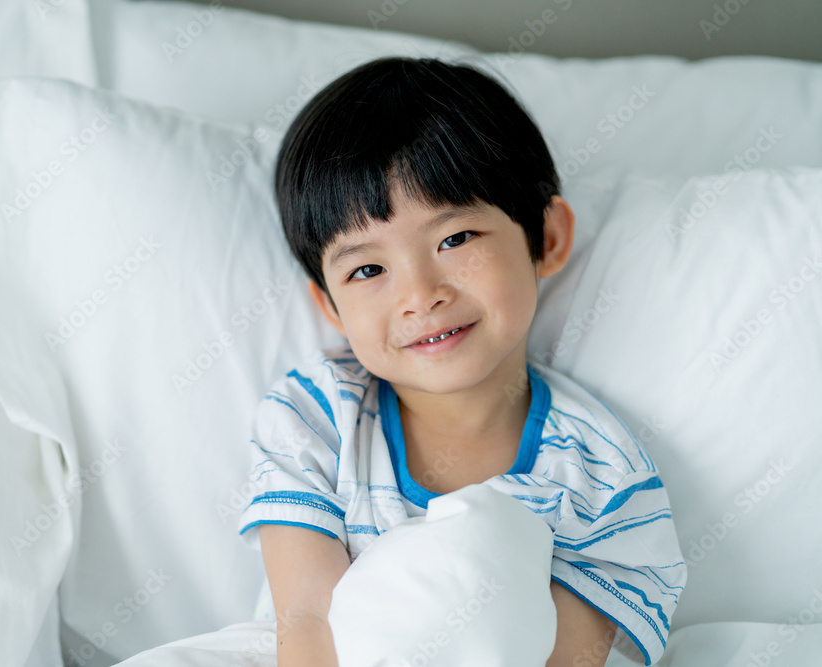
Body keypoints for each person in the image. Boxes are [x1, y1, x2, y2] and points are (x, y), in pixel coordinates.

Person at [237, 56, 686, 667]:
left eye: (455, 239)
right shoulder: (318, 416)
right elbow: (307, 625)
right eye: (368, 269)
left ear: (546, 238)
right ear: (331, 306)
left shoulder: (601, 474)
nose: (420, 295)